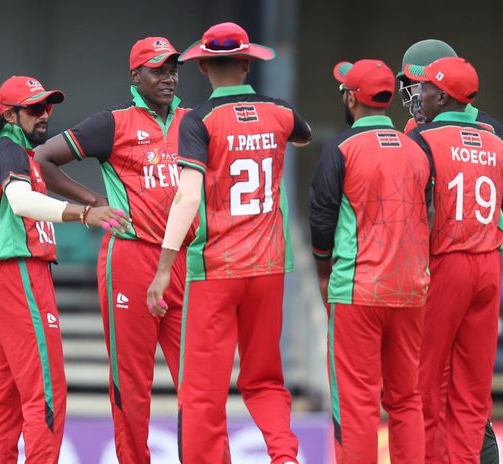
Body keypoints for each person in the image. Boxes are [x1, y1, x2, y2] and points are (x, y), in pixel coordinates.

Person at [146, 22, 312, 464]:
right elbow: (304, 134)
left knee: (203, 391)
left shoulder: (197, 121)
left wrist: (164, 269)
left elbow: (188, 195)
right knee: (265, 380)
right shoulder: (280, 112)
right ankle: (283, 456)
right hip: (269, 268)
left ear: (201, 66)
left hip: (215, 270)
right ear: (247, 63)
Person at [33, 36, 188, 463]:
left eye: (173, 68)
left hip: (184, 262)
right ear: (135, 76)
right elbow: (42, 160)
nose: (169, 77)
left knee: (198, 383)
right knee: (132, 382)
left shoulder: (194, 123)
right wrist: (93, 202)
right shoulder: (113, 123)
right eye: (157, 69)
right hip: (132, 256)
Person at [0, 75, 130, 463]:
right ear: (9, 114)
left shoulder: (16, 152)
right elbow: (22, 202)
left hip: (7, 276)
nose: (45, 115)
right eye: (34, 108)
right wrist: (83, 214)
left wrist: (93, 200)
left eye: (47, 107)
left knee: (3, 397)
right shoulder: (9, 150)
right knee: (47, 393)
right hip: (21, 273)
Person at [404, 57, 503, 463]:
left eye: (425, 88)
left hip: (448, 263)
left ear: (442, 95)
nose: (420, 94)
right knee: (473, 387)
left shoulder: (424, 138)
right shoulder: (495, 141)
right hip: (490, 265)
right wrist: (495, 201)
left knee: (426, 379)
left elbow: (418, 209)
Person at [310, 59, 432, 464]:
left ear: (351, 97)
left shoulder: (342, 148)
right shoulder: (417, 149)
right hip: (410, 290)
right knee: (406, 399)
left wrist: (324, 274)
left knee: (357, 403)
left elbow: (322, 219)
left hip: (358, 290)